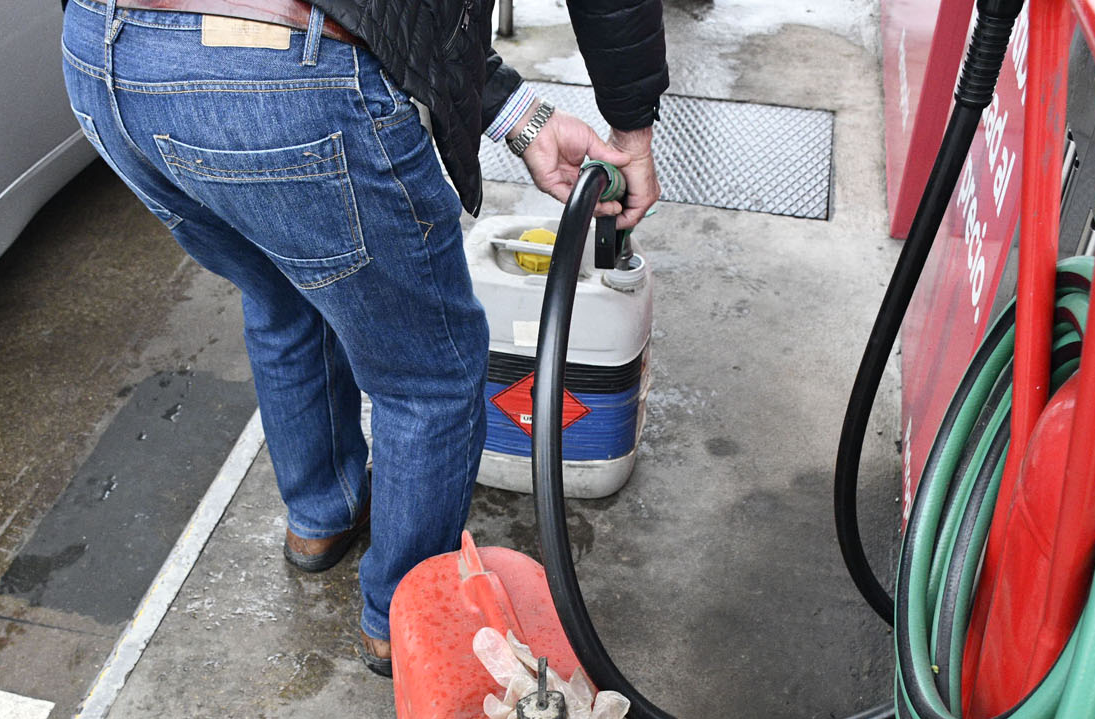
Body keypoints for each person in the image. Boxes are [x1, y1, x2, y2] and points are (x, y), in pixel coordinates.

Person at [61, 0, 667, 676]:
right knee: (426, 375)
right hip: (276, 75)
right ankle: (398, 618)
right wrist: (633, 135)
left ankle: (321, 517)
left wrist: (518, 115)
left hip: (103, 57)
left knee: (286, 293)